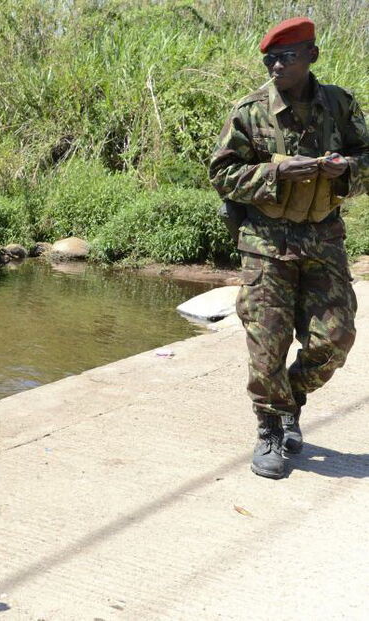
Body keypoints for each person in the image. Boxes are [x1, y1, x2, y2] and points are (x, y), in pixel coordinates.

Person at [209, 17, 369, 479]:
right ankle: (271, 429)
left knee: (334, 340)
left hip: (323, 239)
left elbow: (367, 158)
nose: (277, 65)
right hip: (265, 243)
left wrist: (345, 172)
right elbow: (221, 175)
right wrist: (275, 173)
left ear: (312, 56)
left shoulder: (339, 105)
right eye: (271, 59)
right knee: (267, 346)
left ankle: (289, 401)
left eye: (288, 56)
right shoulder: (250, 111)